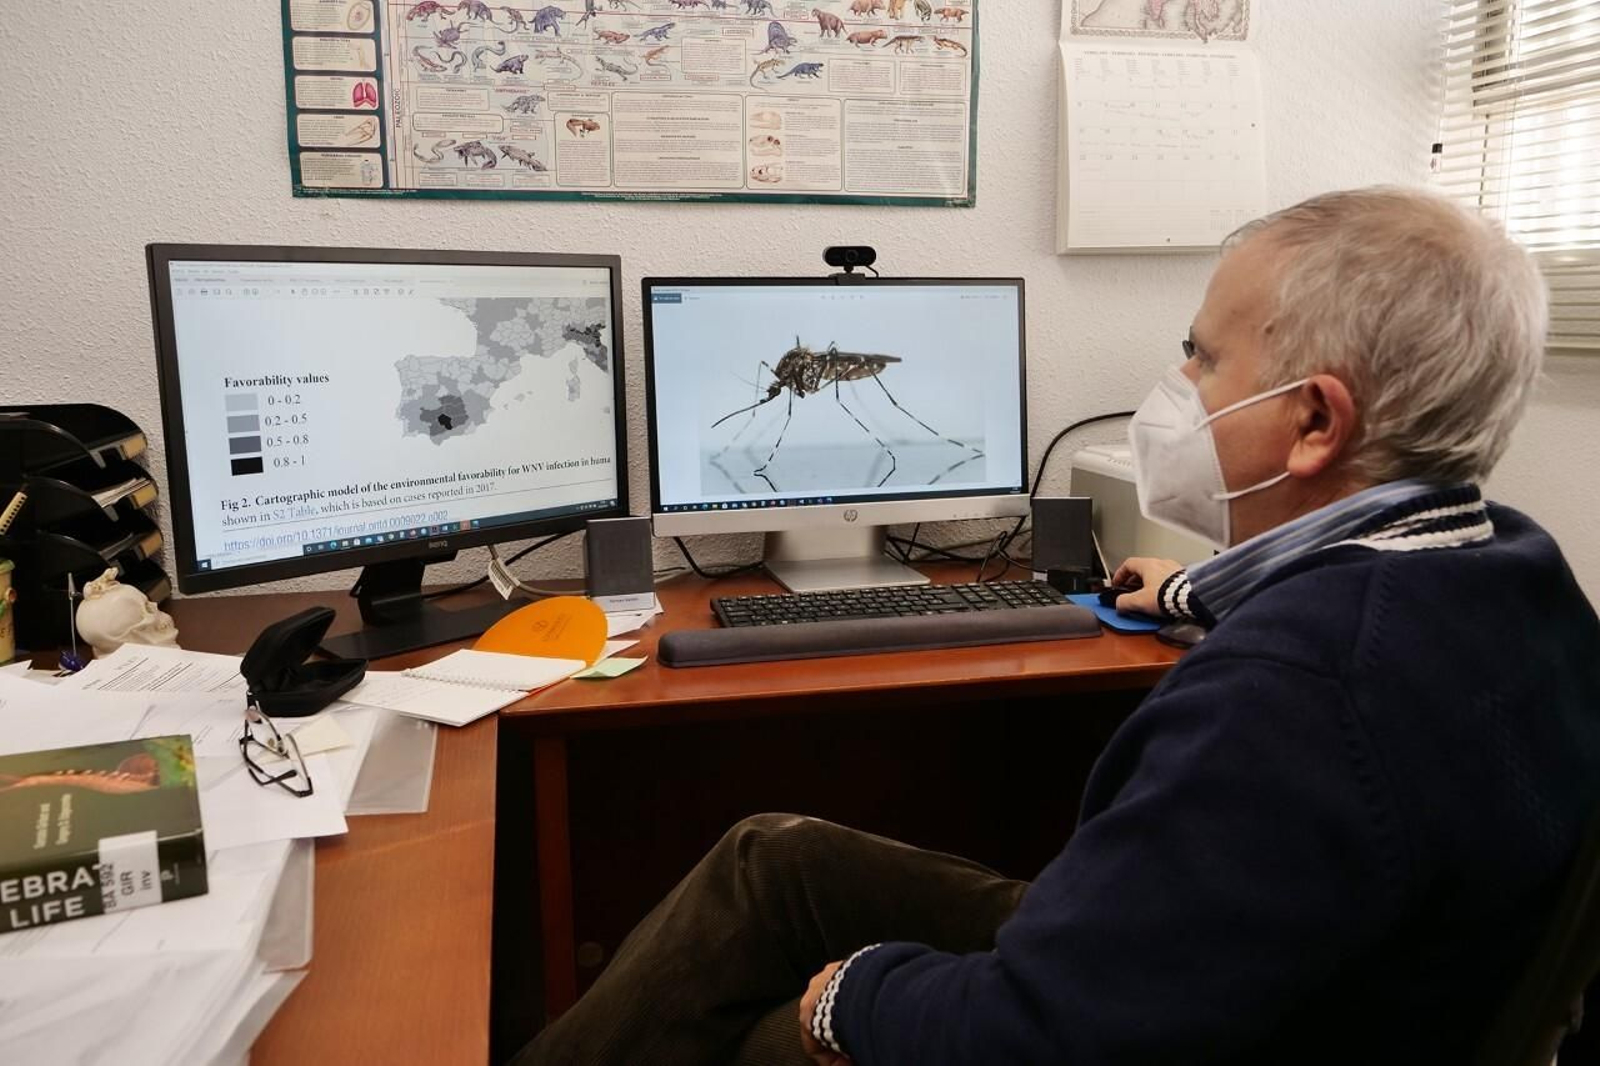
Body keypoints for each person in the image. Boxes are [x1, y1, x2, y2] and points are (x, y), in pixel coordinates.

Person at [516, 186, 1600, 1065]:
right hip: (1278, 973)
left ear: (1313, 419)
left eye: (1204, 357)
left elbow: (1045, 1033)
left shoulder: (1290, 687)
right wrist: (1185, 592)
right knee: (774, 860)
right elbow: (1343, 633)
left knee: (767, 1036)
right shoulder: (1508, 565)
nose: (1178, 384)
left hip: (1167, 1022)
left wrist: (848, 999)